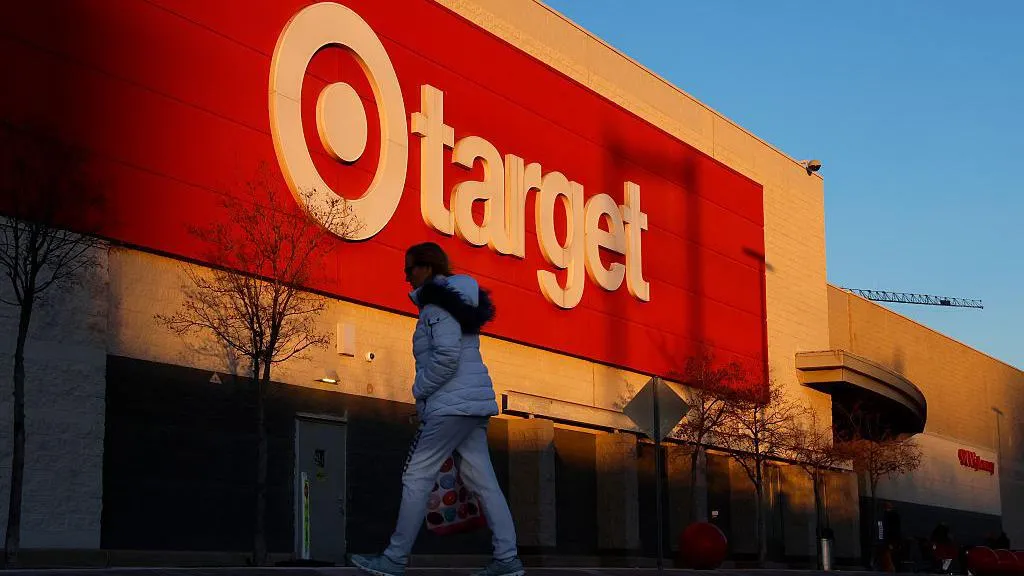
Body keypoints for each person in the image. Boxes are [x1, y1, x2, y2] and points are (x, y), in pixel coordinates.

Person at [351, 242, 523, 576]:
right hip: (470, 404)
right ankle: (507, 558)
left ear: (427, 268)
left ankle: (394, 559)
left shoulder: (436, 307)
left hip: (450, 406)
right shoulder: (456, 304)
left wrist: (420, 391)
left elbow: (446, 357)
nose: (406, 277)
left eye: (409, 268)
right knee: (483, 479)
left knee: (416, 475)